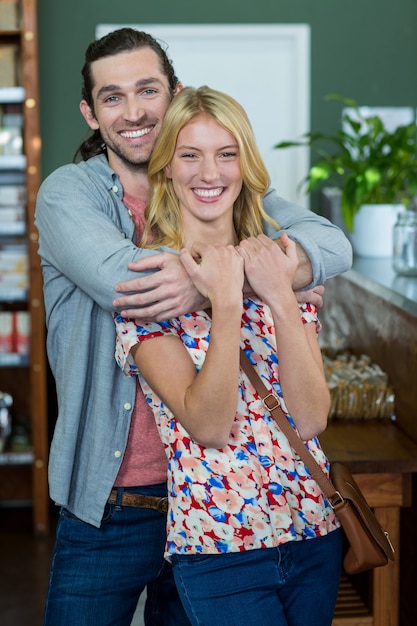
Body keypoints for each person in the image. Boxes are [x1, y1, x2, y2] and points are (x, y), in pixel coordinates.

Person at [35, 28, 350, 626]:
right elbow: (128, 284)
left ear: (173, 93)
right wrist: (237, 274)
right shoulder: (68, 193)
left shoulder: (218, 186)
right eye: (112, 97)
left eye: (148, 90)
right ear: (90, 112)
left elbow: (331, 244)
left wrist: (251, 275)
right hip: (116, 500)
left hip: (224, 508)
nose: (134, 112)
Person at [114, 85, 343, 626]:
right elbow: (210, 425)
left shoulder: (279, 261)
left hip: (314, 529)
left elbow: (310, 418)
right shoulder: (148, 286)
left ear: (246, 164)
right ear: (166, 165)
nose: (209, 173)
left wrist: (282, 297)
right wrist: (227, 303)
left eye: (226, 153)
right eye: (190, 155)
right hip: (219, 547)